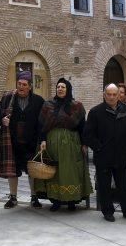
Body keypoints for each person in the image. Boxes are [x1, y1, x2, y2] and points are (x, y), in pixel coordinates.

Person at [84, 84, 126, 222]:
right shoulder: (96, 112)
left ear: (119, 95)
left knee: (124, 185)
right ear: (104, 94)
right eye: (109, 94)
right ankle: (107, 211)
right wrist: (98, 148)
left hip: (122, 155)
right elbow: (88, 135)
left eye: (115, 94)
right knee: (104, 186)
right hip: (103, 156)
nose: (112, 97)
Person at [36, 78, 92, 211]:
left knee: (71, 171)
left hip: (72, 143)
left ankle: (72, 201)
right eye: (58, 87)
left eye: (63, 87)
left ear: (68, 89)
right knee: (55, 171)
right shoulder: (48, 105)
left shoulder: (77, 106)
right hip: (52, 142)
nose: (60, 89)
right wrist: (42, 140)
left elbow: (83, 127)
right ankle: (56, 201)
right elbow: (41, 125)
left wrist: (84, 144)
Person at [0, 71, 45, 209]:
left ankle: (34, 197)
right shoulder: (8, 99)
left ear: (30, 86)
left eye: (24, 84)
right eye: (19, 84)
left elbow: (42, 123)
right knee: (13, 171)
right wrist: (1, 120)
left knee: (32, 171)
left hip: (31, 142)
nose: (21, 87)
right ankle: (13, 197)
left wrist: (42, 140)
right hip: (12, 142)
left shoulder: (38, 101)